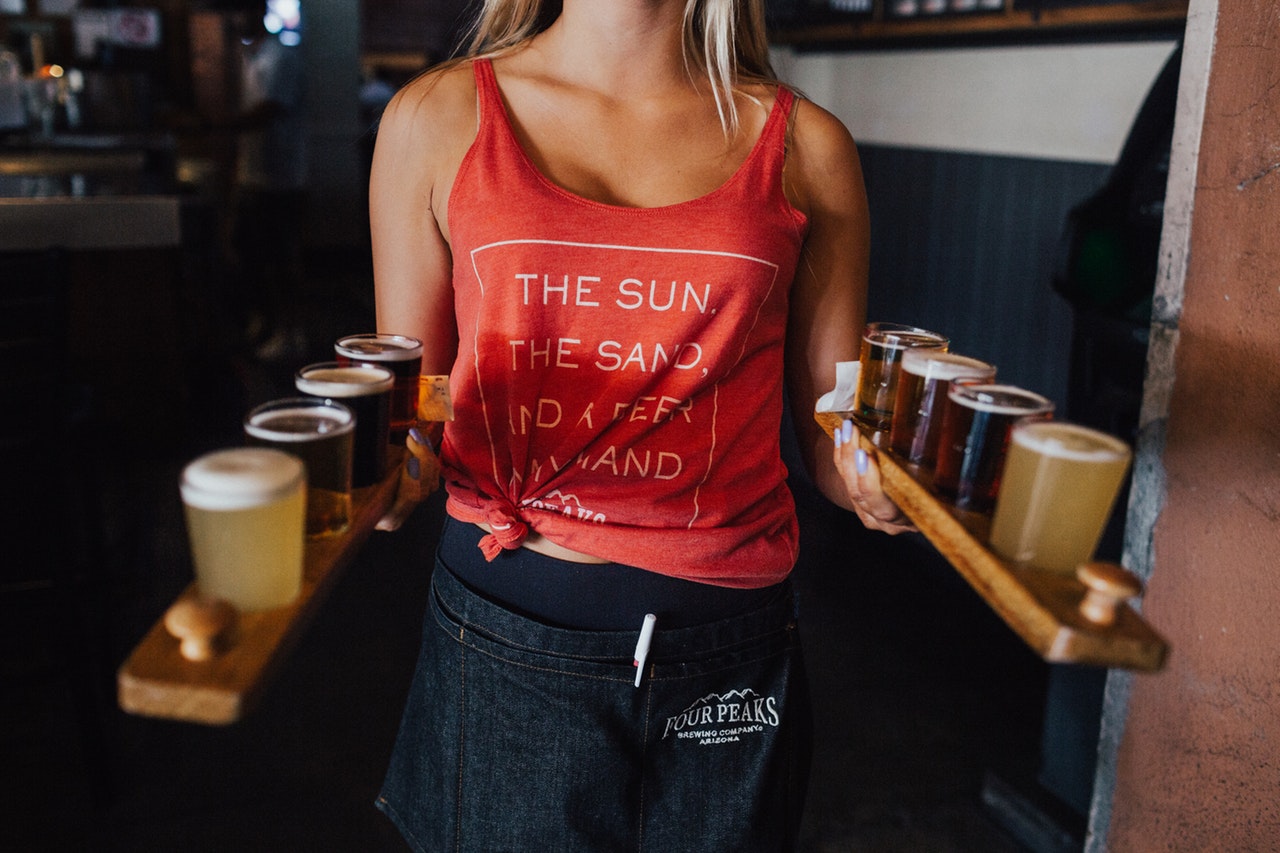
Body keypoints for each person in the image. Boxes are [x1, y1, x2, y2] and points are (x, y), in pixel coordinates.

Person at [367, 1, 911, 849]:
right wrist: (385, 473)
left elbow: (835, 435)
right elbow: (418, 406)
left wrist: (889, 479)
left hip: (727, 651)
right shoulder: (435, 117)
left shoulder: (807, 145)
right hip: (507, 639)